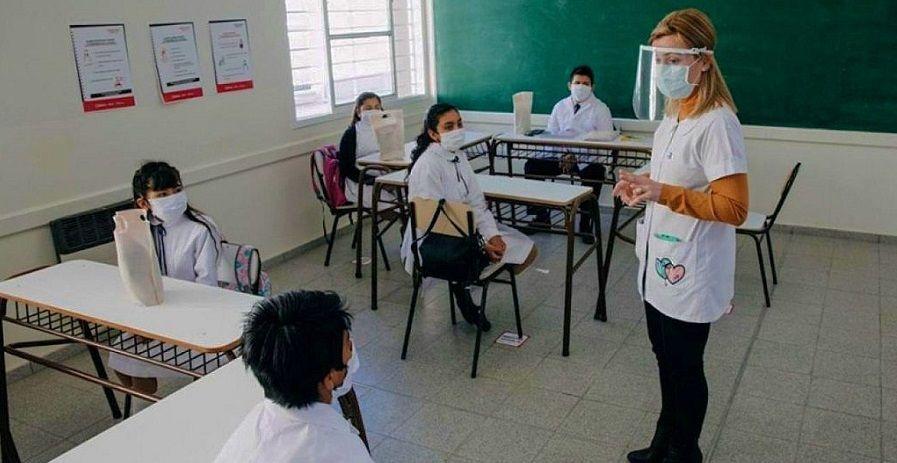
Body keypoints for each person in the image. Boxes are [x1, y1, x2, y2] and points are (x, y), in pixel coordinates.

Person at [618, 8, 749, 463]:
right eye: (658, 60)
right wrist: (639, 182)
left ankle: (685, 452)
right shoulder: (675, 115)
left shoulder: (718, 123)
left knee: (685, 366)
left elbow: (734, 208)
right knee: (665, 359)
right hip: (659, 262)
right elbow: (669, 175)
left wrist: (663, 192)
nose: (664, 70)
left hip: (691, 268)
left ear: (703, 61)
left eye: (674, 60)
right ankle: (664, 442)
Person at [401, 103, 538, 332]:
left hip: (466, 232)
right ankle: (464, 285)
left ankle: (462, 283)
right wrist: (481, 245)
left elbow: (476, 203)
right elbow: (437, 222)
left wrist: (492, 235)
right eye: (449, 127)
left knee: (528, 251)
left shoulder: (458, 156)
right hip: (436, 244)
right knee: (498, 258)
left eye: (459, 124)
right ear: (433, 134)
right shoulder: (428, 165)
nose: (457, 130)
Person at [214, 291, 371, 463]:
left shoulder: (250, 432)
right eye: (348, 346)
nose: (352, 350)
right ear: (329, 378)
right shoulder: (341, 451)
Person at [108, 161, 221, 396]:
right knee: (118, 352)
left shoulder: (200, 229)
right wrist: (144, 324)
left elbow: (208, 288)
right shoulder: (139, 229)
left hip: (195, 317)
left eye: (177, 190)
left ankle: (145, 406)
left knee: (137, 361)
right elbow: (135, 281)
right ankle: (146, 405)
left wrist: (163, 324)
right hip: (154, 314)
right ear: (143, 202)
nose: (173, 197)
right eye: (162, 195)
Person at [524, 65, 613, 242]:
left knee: (595, 173)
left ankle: (585, 224)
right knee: (532, 166)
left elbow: (606, 138)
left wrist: (576, 156)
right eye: (577, 83)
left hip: (588, 159)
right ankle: (541, 218)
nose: (581, 87)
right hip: (561, 157)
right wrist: (564, 154)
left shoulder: (601, 108)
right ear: (569, 85)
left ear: (592, 87)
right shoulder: (560, 106)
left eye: (585, 83)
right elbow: (551, 135)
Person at [338, 92, 387, 208]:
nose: (373, 111)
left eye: (377, 107)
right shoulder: (351, 134)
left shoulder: (386, 128)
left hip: (385, 177)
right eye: (368, 108)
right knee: (387, 202)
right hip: (360, 182)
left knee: (407, 196)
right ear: (358, 112)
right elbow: (347, 168)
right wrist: (374, 180)